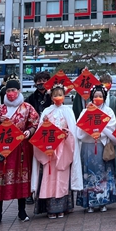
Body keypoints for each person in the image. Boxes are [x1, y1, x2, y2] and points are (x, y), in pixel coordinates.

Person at [0, 79, 39, 225]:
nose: (11, 93)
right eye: (8, 91)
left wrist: (29, 132)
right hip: (1, 149)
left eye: (13, 90)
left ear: (19, 91)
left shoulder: (27, 107)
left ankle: (22, 211)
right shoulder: (0, 109)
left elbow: (34, 122)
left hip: (20, 148)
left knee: (20, 178)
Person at [31, 85, 82, 219]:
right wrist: (45, 125)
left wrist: (67, 134)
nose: (58, 97)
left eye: (60, 94)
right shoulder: (47, 111)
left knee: (62, 176)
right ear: (51, 97)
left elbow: (73, 131)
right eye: (55, 95)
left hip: (63, 148)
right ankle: (50, 207)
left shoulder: (68, 110)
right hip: (49, 149)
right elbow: (40, 132)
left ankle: (63, 207)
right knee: (49, 176)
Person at [76, 85, 116, 213]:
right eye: (95, 96)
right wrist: (90, 130)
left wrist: (99, 130)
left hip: (102, 145)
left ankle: (103, 201)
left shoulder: (109, 111)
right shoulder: (85, 111)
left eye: (100, 96)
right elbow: (79, 131)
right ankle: (89, 202)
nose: (98, 98)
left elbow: (112, 129)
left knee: (104, 174)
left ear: (104, 98)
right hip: (88, 146)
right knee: (88, 174)